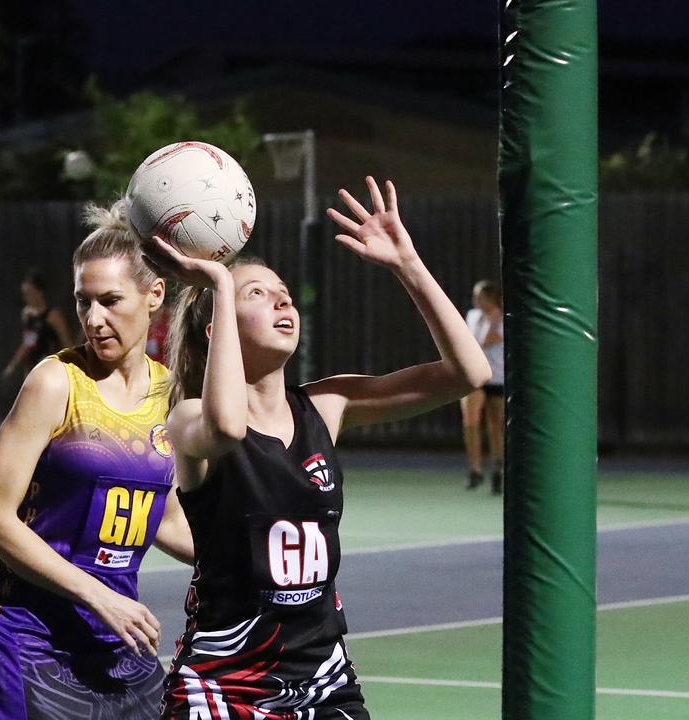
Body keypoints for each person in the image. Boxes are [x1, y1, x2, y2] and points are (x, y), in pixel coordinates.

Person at [144, 176, 491, 719]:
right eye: (256, 293)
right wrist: (218, 279)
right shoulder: (191, 420)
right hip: (225, 686)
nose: (282, 298)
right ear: (218, 328)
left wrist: (408, 265)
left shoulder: (326, 406)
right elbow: (229, 427)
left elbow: (468, 372)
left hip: (324, 679)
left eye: (282, 291)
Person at [0, 202, 194, 720]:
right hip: (30, 638)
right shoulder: (56, 382)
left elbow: (166, 515)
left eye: (111, 301)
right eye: (83, 302)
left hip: (120, 642)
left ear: (154, 295)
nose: (94, 320)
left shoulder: (170, 394)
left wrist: (247, 563)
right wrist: (98, 595)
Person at [461, 279, 504, 494]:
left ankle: (498, 468)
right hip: (475, 378)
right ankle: (475, 470)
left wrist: (495, 321)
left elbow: (486, 341)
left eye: (479, 296)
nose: (475, 300)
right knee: (471, 421)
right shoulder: (472, 316)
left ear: (490, 298)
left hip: (497, 378)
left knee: (496, 425)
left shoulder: (504, 319)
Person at [2, 267, 76, 382]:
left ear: (39, 292)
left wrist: (72, 367)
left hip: (48, 369)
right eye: (24, 294)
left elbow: (67, 344)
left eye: (29, 293)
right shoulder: (27, 315)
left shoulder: (53, 316)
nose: (27, 298)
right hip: (31, 369)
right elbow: (27, 343)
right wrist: (13, 365)